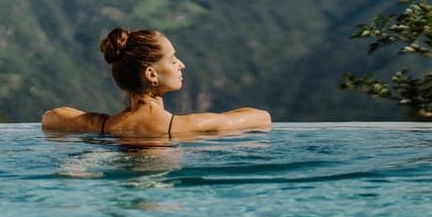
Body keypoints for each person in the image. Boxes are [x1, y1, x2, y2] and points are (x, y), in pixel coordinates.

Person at [41, 28, 272, 138]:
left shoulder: (103, 126)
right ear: (151, 75)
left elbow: (51, 117)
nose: (181, 65)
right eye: (173, 60)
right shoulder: (186, 126)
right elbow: (262, 117)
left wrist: (95, 122)